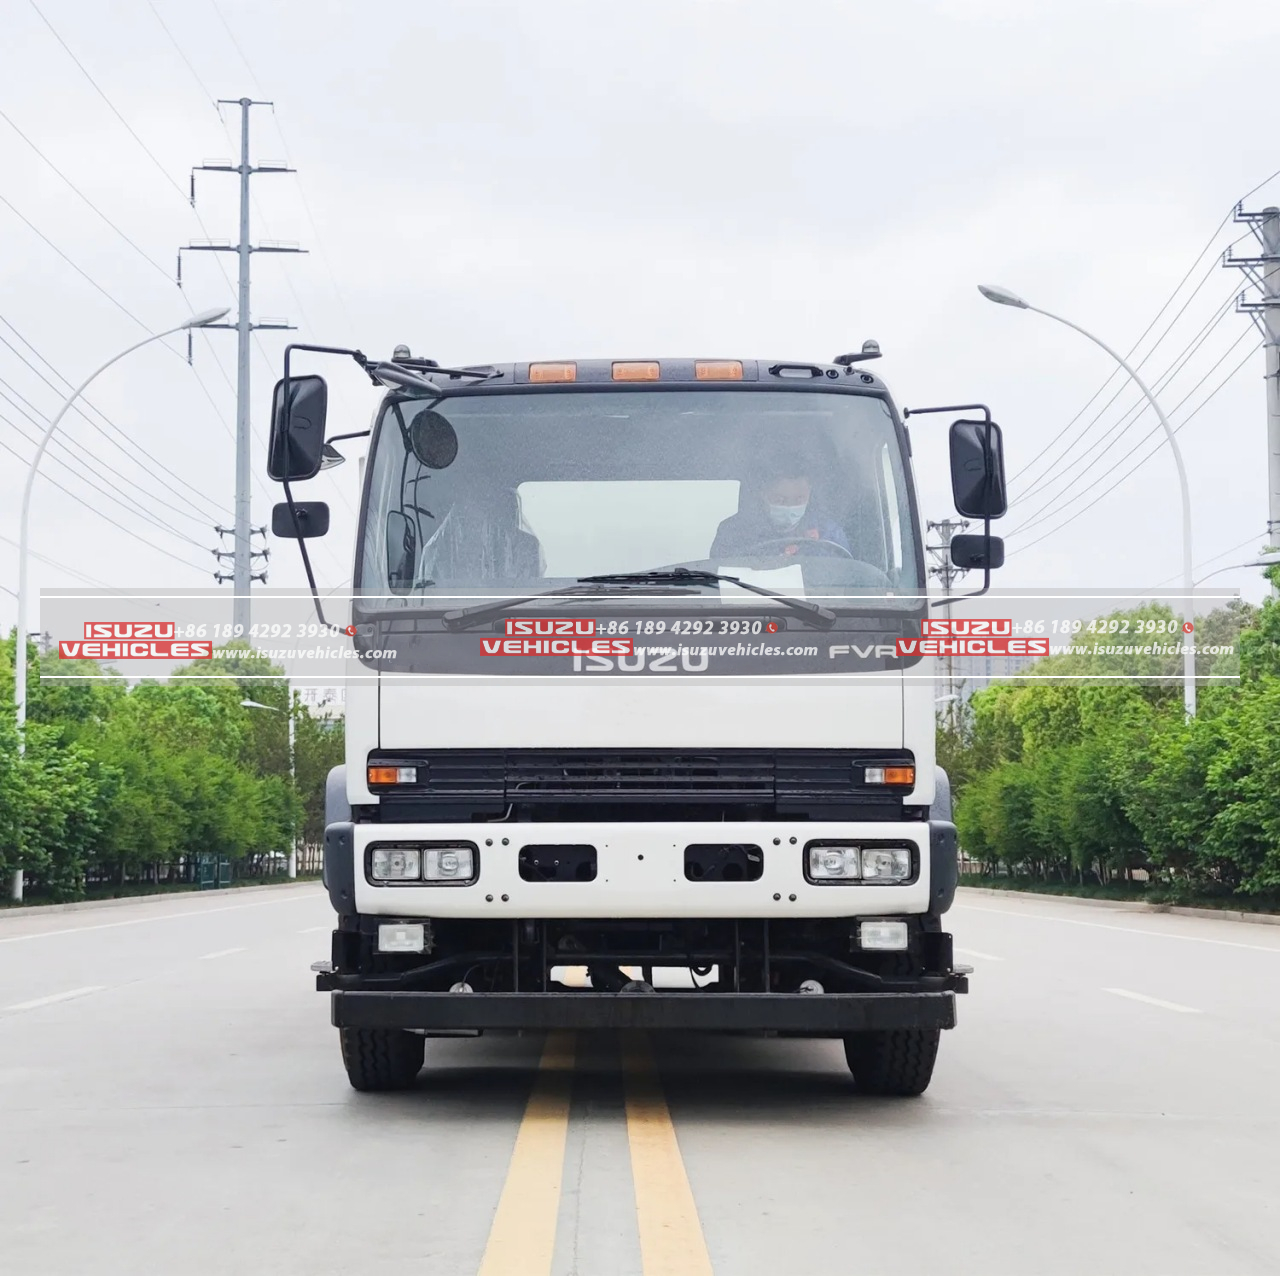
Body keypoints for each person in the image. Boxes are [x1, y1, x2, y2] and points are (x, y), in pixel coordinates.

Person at [710, 456, 850, 559]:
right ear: (763, 493)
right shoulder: (734, 533)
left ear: (810, 492)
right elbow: (719, 586)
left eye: (799, 499)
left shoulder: (830, 534)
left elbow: (845, 583)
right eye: (780, 500)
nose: (790, 507)